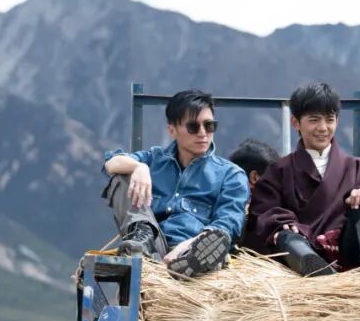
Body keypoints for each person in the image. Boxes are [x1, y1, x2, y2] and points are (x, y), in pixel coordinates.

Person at [248, 82, 360, 276]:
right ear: (295, 122)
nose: (323, 128)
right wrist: (280, 223)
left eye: (329, 120)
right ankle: (317, 270)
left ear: (337, 121)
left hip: (350, 250)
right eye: (314, 120)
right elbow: (263, 212)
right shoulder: (278, 171)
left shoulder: (358, 167)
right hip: (302, 248)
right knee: (283, 234)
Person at [101, 89, 249, 277]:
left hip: (193, 245)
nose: (203, 133)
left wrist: (187, 247)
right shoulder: (154, 159)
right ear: (172, 130)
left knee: (215, 241)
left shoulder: (231, 175)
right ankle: (141, 236)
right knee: (122, 175)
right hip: (152, 245)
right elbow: (110, 163)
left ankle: (193, 260)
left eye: (209, 125)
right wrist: (139, 167)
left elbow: (227, 223)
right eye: (193, 127)